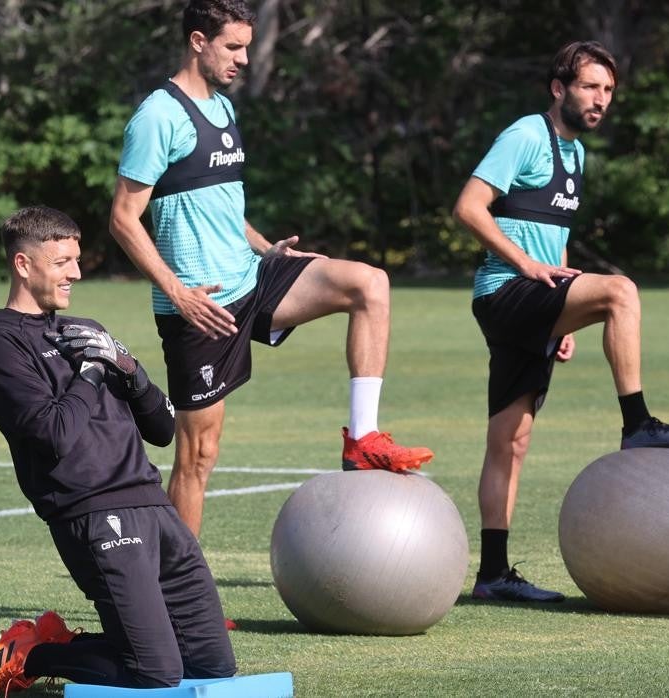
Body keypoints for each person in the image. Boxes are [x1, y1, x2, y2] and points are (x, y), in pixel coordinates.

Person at [109, 0, 434, 536]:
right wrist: (179, 292)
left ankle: (363, 438)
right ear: (198, 41)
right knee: (199, 454)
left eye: (246, 47)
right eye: (232, 46)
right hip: (201, 305)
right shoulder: (157, 116)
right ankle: (182, 603)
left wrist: (267, 250)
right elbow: (123, 218)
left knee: (369, 283)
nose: (243, 59)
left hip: (252, 276)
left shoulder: (225, 109)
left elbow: (222, 206)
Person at [452, 41, 669, 603]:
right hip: (507, 292)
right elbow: (468, 207)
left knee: (510, 443)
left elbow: (556, 242)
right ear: (558, 88)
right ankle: (637, 421)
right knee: (620, 291)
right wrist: (525, 266)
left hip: (537, 300)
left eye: (609, 91)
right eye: (591, 87)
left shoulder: (577, 155)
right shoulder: (524, 136)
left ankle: (493, 574)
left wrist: (561, 322)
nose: (601, 100)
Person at [0, 206, 237, 693]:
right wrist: (92, 371)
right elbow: (54, 433)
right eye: (61, 262)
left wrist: (127, 366)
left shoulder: (85, 328)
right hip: (95, 516)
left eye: (76, 259)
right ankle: (32, 654)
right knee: (155, 672)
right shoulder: (0, 346)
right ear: (23, 265)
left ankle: (64, 643)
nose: (75, 272)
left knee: (212, 667)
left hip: (156, 509)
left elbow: (161, 427)